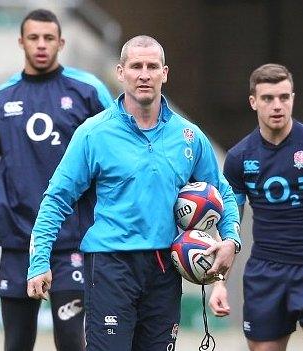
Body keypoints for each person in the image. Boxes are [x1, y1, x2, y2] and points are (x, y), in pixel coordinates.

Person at [26, 35, 241, 351]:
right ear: (120, 72)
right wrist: (39, 260)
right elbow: (57, 198)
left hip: (166, 267)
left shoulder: (189, 136)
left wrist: (231, 241)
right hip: (111, 265)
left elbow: (222, 192)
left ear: (164, 73)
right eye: (136, 66)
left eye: (152, 66)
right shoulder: (93, 133)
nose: (144, 74)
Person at [0, 8, 112, 351]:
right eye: (33, 38)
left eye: (49, 38)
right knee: (17, 343)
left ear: (61, 42)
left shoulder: (89, 91)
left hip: (72, 241)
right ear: (21, 41)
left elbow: (117, 150)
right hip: (19, 238)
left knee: (72, 341)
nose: (41, 45)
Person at [209, 63, 303, 351]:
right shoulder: (239, 158)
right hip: (265, 272)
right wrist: (219, 283)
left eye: (284, 97)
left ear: (292, 99)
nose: (277, 105)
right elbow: (229, 227)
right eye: (268, 98)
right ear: (253, 102)